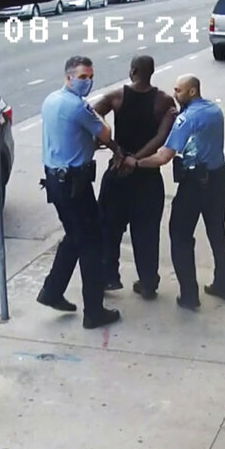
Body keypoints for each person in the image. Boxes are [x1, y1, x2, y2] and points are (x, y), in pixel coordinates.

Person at [119, 74, 225, 310]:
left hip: (194, 185)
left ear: (191, 92)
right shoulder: (213, 111)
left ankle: (189, 295)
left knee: (180, 236)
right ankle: (223, 284)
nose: (175, 94)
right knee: (217, 233)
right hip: (219, 181)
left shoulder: (187, 119)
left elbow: (164, 156)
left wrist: (136, 162)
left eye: (178, 91)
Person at [36, 56, 125, 329]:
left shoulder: (51, 100)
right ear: (68, 78)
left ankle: (52, 291)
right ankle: (94, 311)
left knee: (74, 237)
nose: (87, 81)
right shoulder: (77, 107)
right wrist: (95, 115)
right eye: (82, 77)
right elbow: (106, 133)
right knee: (91, 244)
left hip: (56, 181)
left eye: (90, 77)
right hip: (75, 185)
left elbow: (72, 135)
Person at [92, 55, 177, 300]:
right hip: (148, 175)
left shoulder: (116, 97)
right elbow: (161, 137)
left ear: (132, 71)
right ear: (151, 72)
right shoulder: (163, 101)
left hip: (118, 173)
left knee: (109, 228)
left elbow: (93, 118)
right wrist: (137, 160)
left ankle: (109, 277)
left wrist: (117, 150)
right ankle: (148, 282)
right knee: (147, 233)